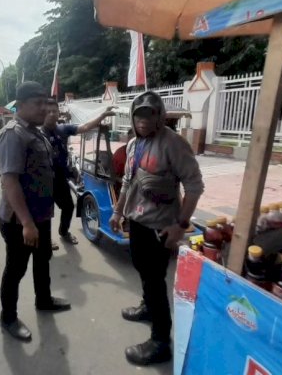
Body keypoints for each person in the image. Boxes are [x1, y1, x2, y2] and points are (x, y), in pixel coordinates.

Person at [109, 91, 204, 366]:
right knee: (142, 270)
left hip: (162, 227)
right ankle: (148, 307)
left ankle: (161, 341)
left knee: (155, 280)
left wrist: (180, 226)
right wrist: (118, 212)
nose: (143, 120)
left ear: (160, 116)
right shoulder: (132, 145)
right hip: (137, 221)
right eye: (138, 114)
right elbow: (128, 181)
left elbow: (195, 186)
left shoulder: (174, 144)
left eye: (150, 114)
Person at [0, 81, 71, 342]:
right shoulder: (13, 134)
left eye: (46, 103)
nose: (44, 109)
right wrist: (27, 223)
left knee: (42, 259)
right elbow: (10, 181)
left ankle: (44, 299)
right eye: (38, 104)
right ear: (21, 105)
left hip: (40, 215)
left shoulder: (35, 132)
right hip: (20, 220)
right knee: (16, 269)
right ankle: (8, 318)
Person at [42, 100, 116, 250]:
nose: (51, 114)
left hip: (61, 178)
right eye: (47, 111)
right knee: (45, 213)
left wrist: (102, 116)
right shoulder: (38, 133)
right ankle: (45, 240)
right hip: (43, 180)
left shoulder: (63, 129)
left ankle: (64, 232)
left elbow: (86, 126)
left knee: (68, 206)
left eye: (53, 111)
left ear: (58, 113)